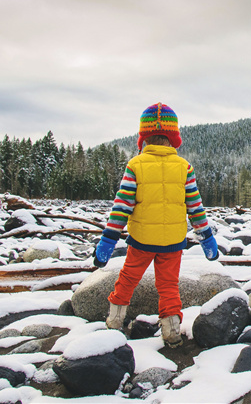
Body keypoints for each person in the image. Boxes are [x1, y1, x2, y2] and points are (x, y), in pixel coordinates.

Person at [93, 102, 219, 347]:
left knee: (128, 278)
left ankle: (114, 322)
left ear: (144, 137)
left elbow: (122, 207)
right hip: (172, 242)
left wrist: (108, 238)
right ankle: (171, 333)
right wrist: (206, 237)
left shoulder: (135, 165)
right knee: (169, 286)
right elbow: (195, 207)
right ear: (173, 137)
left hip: (141, 240)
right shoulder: (184, 167)